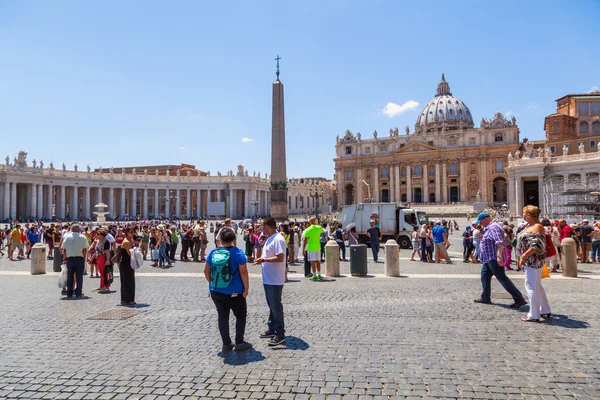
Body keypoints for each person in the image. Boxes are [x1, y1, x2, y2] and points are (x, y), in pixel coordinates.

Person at [204, 228, 252, 352]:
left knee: (222, 316)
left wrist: (213, 284)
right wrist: (246, 288)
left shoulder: (213, 252)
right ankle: (239, 342)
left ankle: (226, 343)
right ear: (233, 240)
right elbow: (243, 272)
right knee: (240, 316)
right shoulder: (238, 253)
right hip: (234, 292)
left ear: (220, 239)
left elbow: (206, 271)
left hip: (216, 291)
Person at [473, 212, 526, 308]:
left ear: (486, 219)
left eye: (481, 221)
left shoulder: (494, 227)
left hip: (494, 258)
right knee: (484, 277)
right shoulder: (488, 228)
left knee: (502, 278)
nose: (480, 224)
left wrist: (499, 256)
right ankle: (485, 297)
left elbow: (499, 243)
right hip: (488, 258)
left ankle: (519, 299)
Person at [254, 216, 287, 346]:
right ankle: (272, 328)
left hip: (275, 279)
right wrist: (261, 259)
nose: (261, 227)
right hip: (268, 278)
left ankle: (280, 334)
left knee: (276, 306)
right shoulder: (270, 238)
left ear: (267, 226)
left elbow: (280, 258)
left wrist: (263, 260)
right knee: (272, 305)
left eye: (262, 225)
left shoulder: (278, 239)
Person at [517, 206, 551, 322]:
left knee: (531, 286)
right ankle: (544, 309)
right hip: (531, 260)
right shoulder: (529, 226)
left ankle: (534, 315)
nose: (522, 214)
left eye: (524, 213)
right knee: (537, 285)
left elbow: (535, 246)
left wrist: (523, 256)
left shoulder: (537, 227)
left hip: (533, 260)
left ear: (529, 215)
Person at [60, 224, 89, 298]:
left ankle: (69, 292)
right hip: (79, 258)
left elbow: (64, 249)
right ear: (78, 230)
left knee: (70, 276)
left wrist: (65, 258)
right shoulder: (83, 237)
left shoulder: (67, 237)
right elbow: (85, 249)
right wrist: (83, 257)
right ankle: (78, 292)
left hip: (70, 259)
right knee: (79, 276)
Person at [118, 227, 137, 306]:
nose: (132, 234)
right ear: (126, 233)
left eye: (133, 232)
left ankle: (124, 299)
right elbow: (130, 254)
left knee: (125, 280)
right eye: (131, 232)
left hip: (126, 262)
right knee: (128, 280)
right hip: (126, 263)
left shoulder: (130, 241)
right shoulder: (126, 242)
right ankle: (128, 299)